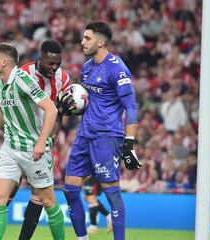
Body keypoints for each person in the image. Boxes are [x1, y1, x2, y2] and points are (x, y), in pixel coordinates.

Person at [0, 40, 73, 240]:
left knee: (48, 202)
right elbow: (4, 110)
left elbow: (51, 108)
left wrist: (41, 142)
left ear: (4, 62)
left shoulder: (22, 79)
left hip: (34, 149)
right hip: (10, 148)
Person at [62, 21, 141, 240]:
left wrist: (129, 142)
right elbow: (87, 101)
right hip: (83, 135)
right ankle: (82, 238)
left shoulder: (117, 68)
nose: (82, 42)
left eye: (87, 38)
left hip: (107, 137)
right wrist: (70, 105)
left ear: (101, 41)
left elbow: (131, 106)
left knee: (111, 193)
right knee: (70, 190)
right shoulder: (86, 68)